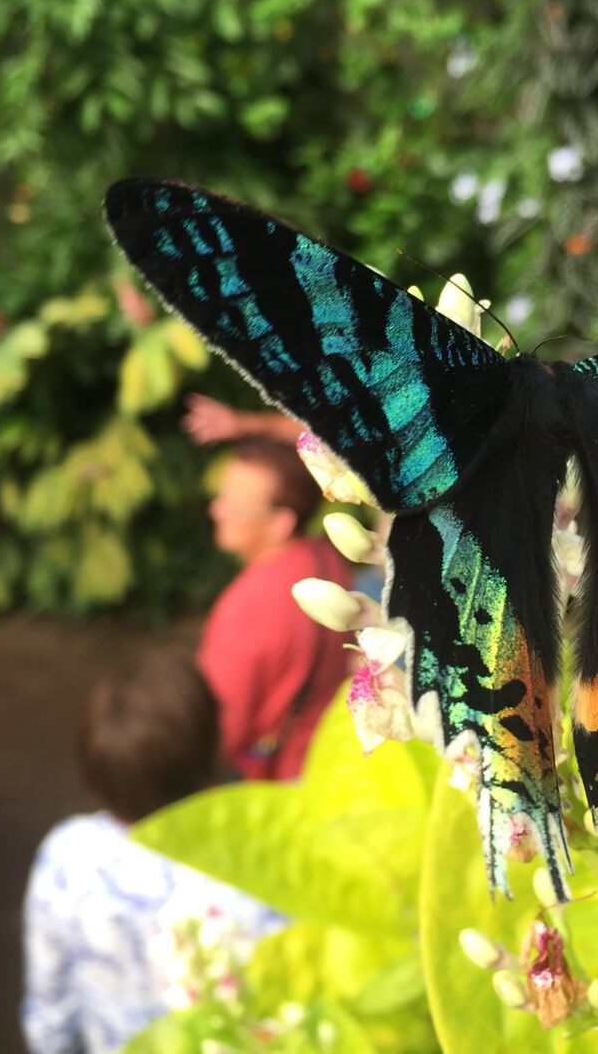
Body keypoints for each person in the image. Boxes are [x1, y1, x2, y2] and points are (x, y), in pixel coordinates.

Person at [21, 657, 282, 1054]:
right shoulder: (258, 873)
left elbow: (50, 1009)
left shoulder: (66, 858)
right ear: (210, 749)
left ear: (93, 766)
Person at [199, 437, 354, 781]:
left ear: (279, 523)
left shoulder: (246, 608)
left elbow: (220, 730)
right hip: (333, 753)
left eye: (233, 505)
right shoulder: (328, 559)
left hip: (279, 777)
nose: (216, 510)